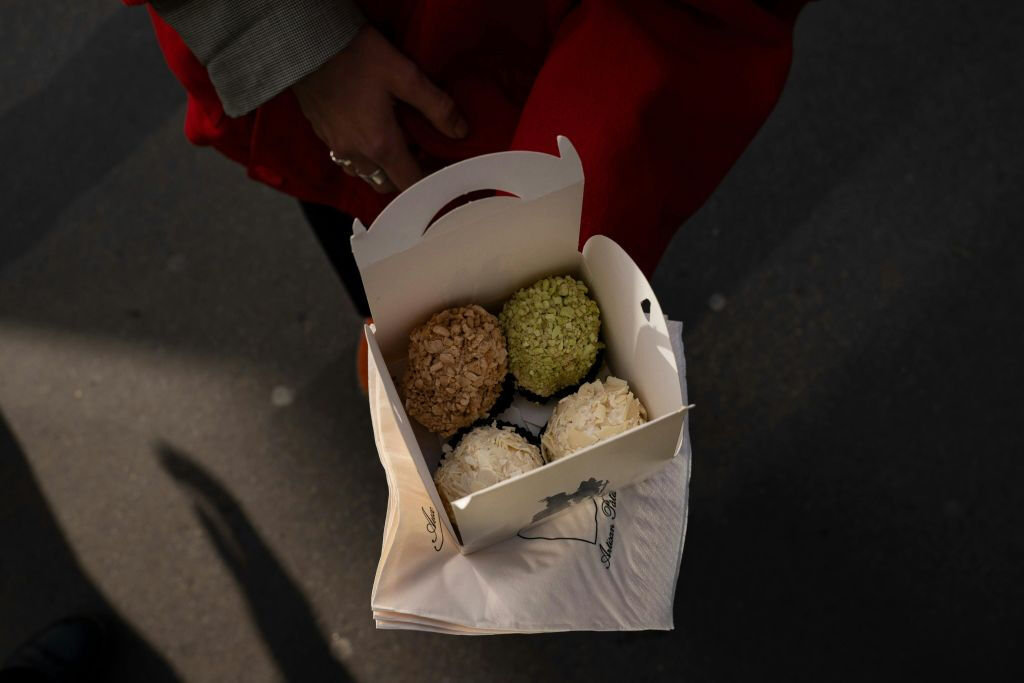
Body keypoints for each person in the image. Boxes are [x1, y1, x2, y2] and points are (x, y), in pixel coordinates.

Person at [127, 0, 807, 389]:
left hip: (577, 48)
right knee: (386, 213)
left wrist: (554, 233)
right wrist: (288, 32)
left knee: (530, 365)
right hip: (369, 56)